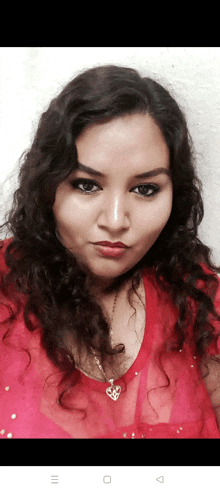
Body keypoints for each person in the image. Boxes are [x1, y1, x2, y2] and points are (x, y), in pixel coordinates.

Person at [1, 64, 220, 439]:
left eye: (145, 189)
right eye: (86, 185)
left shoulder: (198, 300)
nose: (116, 221)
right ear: (47, 185)